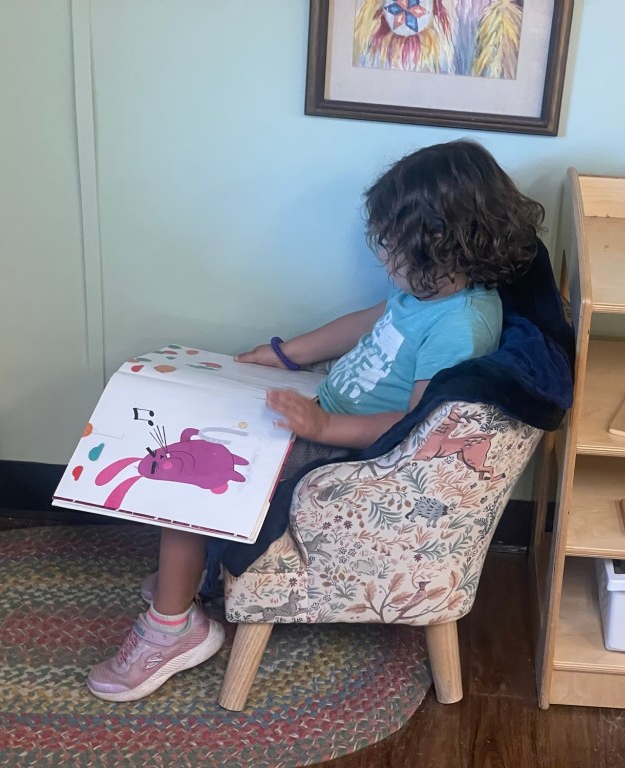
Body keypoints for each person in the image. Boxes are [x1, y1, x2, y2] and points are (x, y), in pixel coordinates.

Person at [86, 139, 546, 702]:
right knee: (190, 418)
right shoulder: (427, 293)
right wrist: (285, 354)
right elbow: (364, 322)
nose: (384, 262)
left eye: (395, 250)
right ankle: (194, 571)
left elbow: (418, 425)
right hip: (323, 411)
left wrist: (322, 428)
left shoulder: (461, 325)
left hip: (348, 452)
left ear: (444, 246)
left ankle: (173, 628)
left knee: (187, 478)